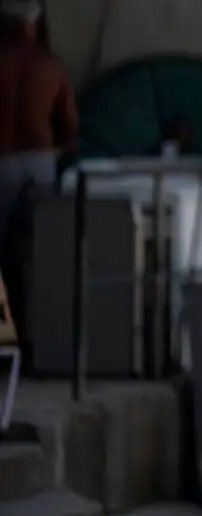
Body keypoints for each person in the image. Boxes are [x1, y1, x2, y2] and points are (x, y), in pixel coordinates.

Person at [0, 0, 77, 357]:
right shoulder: (51, 65)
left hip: (1, 160)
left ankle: (4, 339)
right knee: (37, 253)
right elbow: (70, 129)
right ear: (35, 22)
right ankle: (38, 343)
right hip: (40, 161)